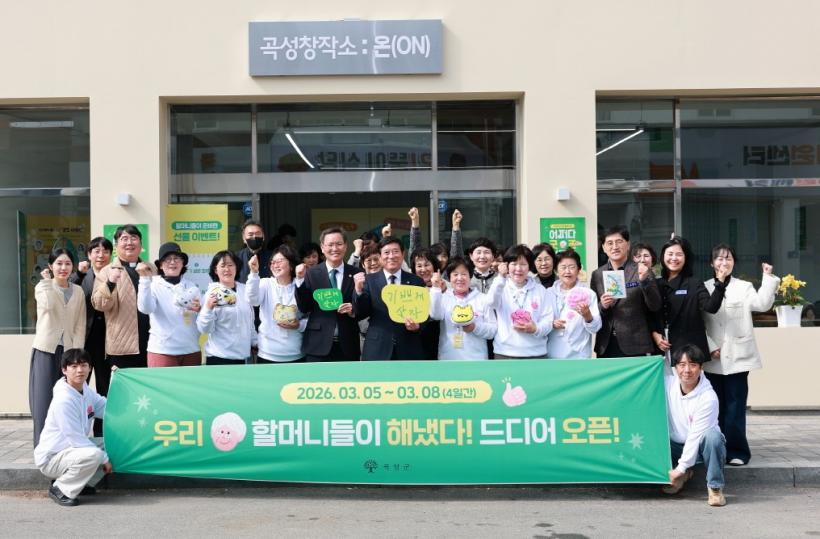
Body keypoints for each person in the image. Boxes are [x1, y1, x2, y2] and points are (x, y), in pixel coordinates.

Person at [703, 244, 780, 466]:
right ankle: (715, 450)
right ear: (711, 263)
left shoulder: (744, 287)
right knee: (714, 406)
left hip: (738, 355)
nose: (723, 263)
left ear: (734, 262)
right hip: (713, 357)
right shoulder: (704, 287)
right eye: (719, 259)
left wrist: (768, 278)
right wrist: (709, 346)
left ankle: (737, 451)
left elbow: (762, 304)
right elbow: (698, 322)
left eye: (728, 259)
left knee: (736, 405)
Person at [33, 349, 112, 507]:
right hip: (52, 459)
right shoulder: (64, 400)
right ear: (64, 370)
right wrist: (105, 459)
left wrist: (130, 412)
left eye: (83, 365)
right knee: (95, 455)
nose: (80, 370)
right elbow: (77, 439)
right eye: (74, 366)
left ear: (90, 368)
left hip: (70, 452)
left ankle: (82, 483)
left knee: (112, 444)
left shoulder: (85, 390)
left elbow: (106, 408)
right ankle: (61, 488)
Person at [30, 249, 86, 447]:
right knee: (43, 401)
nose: (63, 268)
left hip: (69, 353)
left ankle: (66, 446)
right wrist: (47, 282)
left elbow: (80, 323)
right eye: (59, 263)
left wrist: (76, 353)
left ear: (73, 267)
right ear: (51, 266)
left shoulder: (78, 291)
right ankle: (42, 448)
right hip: (46, 350)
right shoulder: (43, 287)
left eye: (68, 264)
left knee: (68, 400)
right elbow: (46, 306)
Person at [663, 344, 727, 507]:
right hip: (675, 446)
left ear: (701, 367)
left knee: (713, 437)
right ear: (675, 367)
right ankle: (684, 475)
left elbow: (695, 436)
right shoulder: (668, 384)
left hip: (700, 449)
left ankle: (715, 488)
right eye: (682, 365)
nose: (687, 370)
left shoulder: (708, 398)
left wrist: (680, 468)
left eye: (692, 365)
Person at [652, 236, 729, 361]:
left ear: (686, 258)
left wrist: (720, 283)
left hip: (687, 348)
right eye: (670, 254)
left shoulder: (694, 283)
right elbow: (649, 314)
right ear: (663, 257)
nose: (674, 258)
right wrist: (655, 334)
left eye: (679, 254)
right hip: (659, 348)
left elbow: (711, 307)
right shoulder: (656, 283)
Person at [590, 225, 661, 358]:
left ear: (628, 245)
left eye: (619, 242)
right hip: (606, 344)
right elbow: (593, 311)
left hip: (635, 344)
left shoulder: (641, 270)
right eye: (610, 243)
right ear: (603, 248)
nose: (615, 247)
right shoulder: (597, 275)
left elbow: (655, 305)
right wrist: (603, 306)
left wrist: (644, 281)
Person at [295, 227, 363, 362]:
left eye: (339, 244)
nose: (335, 248)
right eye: (330, 245)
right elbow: (304, 307)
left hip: (348, 343)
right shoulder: (311, 273)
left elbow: (365, 309)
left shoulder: (356, 273)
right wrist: (299, 280)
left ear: (345, 246)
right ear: (322, 248)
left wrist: (353, 308)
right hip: (317, 344)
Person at [352, 237, 427, 361]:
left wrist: (418, 326)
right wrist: (358, 291)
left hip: (409, 347)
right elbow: (360, 312)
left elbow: (425, 313)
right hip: (377, 348)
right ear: (380, 257)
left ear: (403, 254)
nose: (391, 256)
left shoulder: (416, 281)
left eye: (395, 251)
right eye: (386, 252)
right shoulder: (369, 281)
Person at [91, 224, 151, 369]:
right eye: (124, 239)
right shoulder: (106, 271)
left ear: (141, 244)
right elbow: (99, 304)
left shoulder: (151, 269)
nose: (129, 242)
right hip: (122, 347)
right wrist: (110, 283)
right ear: (116, 245)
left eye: (134, 238)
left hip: (152, 345)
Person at [137, 242, 202, 367]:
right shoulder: (153, 285)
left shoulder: (192, 287)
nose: (172, 262)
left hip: (191, 350)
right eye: (167, 259)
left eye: (177, 258)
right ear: (161, 265)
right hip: (162, 351)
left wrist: (200, 309)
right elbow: (145, 309)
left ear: (182, 263)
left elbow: (202, 318)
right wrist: (144, 279)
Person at [71, 237, 112, 436]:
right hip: (85, 340)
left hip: (107, 342)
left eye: (105, 251)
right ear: (89, 255)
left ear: (110, 255)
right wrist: (79, 273)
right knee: (79, 385)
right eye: (96, 251)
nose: (101, 255)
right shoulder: (83, 276)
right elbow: (68, 290)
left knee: (104, 387)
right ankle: (77, 431)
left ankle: (101, 433)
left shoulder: (114, 274)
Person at [429, 258, 500, 360]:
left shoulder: (483, 299)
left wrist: (474, 327)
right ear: (449, 278)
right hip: (448, 358)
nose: (460, 278)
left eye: (464, 274)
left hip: (476, 360)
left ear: (470, 276)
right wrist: (436, 288)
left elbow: (492, 330)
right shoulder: (444, 298)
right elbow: (435, 315)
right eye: (455, 274)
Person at [246, 245, 306, 363]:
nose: (275, 265)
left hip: (296, 352)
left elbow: (311, 315)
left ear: (291, 264)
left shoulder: (300, 284)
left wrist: (299, 325)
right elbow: (252, 300)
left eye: (279, 261)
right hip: (267, 353)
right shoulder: (265, 283)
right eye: (272, 262)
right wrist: (254, 273)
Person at [492, 245, 553, 359]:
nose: (518, 269)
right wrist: (500, 277)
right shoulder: (500, 286)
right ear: (506, 265)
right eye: (514, 264)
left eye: (523, 264)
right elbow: (491, 303)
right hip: (505, 353)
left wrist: (535, 329)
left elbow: (548, 321)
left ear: (529, 266)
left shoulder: (540, 290)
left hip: (536, 354)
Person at [197, 250, 257, 365]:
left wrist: (255, 342)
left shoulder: (245, 290)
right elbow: (204, 329)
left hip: (243, 357)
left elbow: (250, 323)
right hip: (219, 357)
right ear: (215, 270)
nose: (227, 269)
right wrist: (208, 309)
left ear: (236, 268)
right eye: (223, 266)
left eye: (230, 265)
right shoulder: (212, 294)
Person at [545, 249, 601, 359]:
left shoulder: (588, 294)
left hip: (578, 355)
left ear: (579, 269)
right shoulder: (548, 293)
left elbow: (595, 328)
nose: (567, 271)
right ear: (556, 270)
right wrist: (551, 323)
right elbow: (539, 322)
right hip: (551, 354)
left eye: (572, 267)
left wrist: (587, 315)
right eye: (563, 267)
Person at [410, 247, 444, 360]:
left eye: (427, 265)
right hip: (416, 339)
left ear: (434, 266)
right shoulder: (409, 288)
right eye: (419, 266)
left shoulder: (446, 286)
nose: (423, 269)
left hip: (441, 337)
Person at [408, 207, 464, 272]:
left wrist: (456, 226)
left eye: (444, 256)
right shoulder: (424, 272)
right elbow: (415, 252)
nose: (440, 259)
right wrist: (415, 222)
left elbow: (456, 255)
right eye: (436, 255)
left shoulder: (450, 274)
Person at [236, 219, 272, 284]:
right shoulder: (236, 258)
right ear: (244, 238)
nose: (254, 237)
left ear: (263, 236)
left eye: (258, 233)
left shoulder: (272, 257)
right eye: (250, 234)